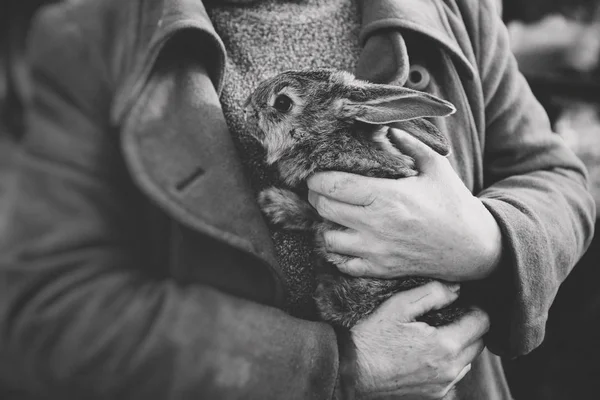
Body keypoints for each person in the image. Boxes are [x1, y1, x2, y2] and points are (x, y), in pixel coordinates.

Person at [0, 0, 594, 399]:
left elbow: (556, 179)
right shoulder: (92, 33)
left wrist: (483, 239)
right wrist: (337, 365)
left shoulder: (450, 7)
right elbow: (49, 307)